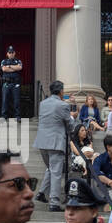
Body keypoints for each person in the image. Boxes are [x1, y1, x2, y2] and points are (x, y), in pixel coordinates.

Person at [32, 80, 73, 212]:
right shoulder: (63, 105)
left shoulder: (43, 103)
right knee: (56, 172)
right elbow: (69, 125)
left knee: (51, 168)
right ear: (61, 91)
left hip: (42, 142)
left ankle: (42, 193)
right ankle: (54, 202)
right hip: (55, 142)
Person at [0, 45, 23, 121]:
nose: (11, 54)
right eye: (9, 52)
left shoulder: (18, 61)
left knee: (16, 101)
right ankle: (4, 116)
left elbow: (19, 68)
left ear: (14, 53)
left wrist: (9, 66)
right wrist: (14, 68)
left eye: (12, 52)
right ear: (7, 54)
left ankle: (17, 116)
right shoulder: (4, 61)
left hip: (15, 84)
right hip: (6, 83)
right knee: (5, 100)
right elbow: (4, 69)